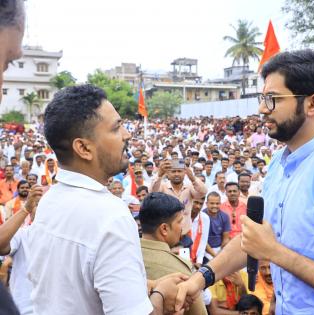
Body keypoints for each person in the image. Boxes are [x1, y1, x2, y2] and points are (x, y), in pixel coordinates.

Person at [175, 50, 314, 315]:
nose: (262, 109)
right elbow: (255, 239)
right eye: (263, 98)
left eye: (273, 99)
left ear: (313, 104)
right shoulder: (278, 164)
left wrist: (276, 253)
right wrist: (202, 278)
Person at [27, 84, 183, 315]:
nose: (127, 135)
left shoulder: (49, 201)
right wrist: (160, 295)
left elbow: (80, 287)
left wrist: (149, 286)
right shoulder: (111, 217)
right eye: (116, 128)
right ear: (83, 148)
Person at [139, 192, 207, 315]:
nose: (182, 227)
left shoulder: (125, 256)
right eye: (179, 221)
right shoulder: (180, 270)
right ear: (164, 229)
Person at [0, 184, 43, 315]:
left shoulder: (68, 239)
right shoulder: (23, 235)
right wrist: (25, 209)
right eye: (37, 205)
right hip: (25, 310)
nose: (43, 209)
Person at [150, 158, 207, 239]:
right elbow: (152, 193)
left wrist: (193, 178)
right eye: (173, 171)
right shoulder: (162, 187)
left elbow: (203, 192)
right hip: (167, 237)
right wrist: (159, 175)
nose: (177, 174)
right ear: (168, 174)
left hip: (185, 235)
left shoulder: (189, 188)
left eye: (179, 171)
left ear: (184, 173)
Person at [203, 192, 230, 261]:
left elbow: (225, 239)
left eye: (217, 203)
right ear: (206, 204)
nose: (215, 206)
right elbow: (203, 241)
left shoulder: (225, 216)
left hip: (220, 248)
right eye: (212, 203)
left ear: (220, 204)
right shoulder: (202, 216)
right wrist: (215, 256)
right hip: (204, 249)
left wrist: (221, 252)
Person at [190, 197, 210, 268]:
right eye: (195, 202)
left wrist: (199, 262)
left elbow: (203, 242)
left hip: (196, 257)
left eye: (201, 204)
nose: (198, 206)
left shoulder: (205, 218)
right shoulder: (182, 216)